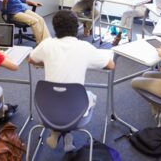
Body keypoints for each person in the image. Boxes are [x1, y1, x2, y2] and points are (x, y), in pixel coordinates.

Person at [29, 10, 115, 152]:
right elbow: (111, 65)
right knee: (89, 96)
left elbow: (32, 59)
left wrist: (49, 61)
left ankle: (57, 133)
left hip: (46, 110)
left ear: (55, 28)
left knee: (63, 99)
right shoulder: (84, 47)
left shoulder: (47, 44)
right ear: (77, 27)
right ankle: (66, 135)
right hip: (75, 111)